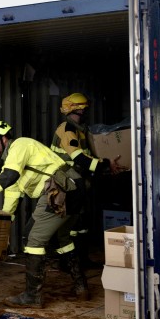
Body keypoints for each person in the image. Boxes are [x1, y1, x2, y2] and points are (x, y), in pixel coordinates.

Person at [0, 120, 87, 307]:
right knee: (61, 238)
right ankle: (81, 287)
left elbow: (8, 176)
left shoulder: (20, 145)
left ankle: (33, 297)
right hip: (72, 188)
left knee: (32, 239)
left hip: (61, 189)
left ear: (3, 138)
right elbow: (10, 201)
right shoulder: (13, 165)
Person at [52, 92, 116, 267]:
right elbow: (79, 159)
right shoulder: (68, 130)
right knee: (71, 224)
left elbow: (86, 157)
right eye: (84, 109)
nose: (86, 112)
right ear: (77, 110)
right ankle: (68, 262)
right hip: (68, 182)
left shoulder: (80, 129)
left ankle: (82, 260)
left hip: (79, 181)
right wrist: (104, 164)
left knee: (81, 224)